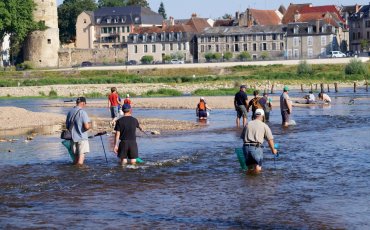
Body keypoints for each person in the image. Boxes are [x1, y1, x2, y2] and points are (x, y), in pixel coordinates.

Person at [240, 109, 278, 173]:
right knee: (258, 169)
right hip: (256, 148)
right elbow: (270, 140)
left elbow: (243, 137)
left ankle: (248, 182)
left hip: (245, 147)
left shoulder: (248, 124)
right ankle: (257, 183)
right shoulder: (264, 125)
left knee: (249, 169)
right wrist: (273, 150)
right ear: (262, 116)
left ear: (255, 115)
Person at [65, 97, 91, 165]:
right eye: (85, 104)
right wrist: (90, 125)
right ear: (83, 103)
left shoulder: (70, 112)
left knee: (75, 159)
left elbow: (67, 126)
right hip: (81, 138)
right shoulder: (83, 112)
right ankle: (79, 174)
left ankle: (73, 174)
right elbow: (86, 127)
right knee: (80, 160)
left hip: (72, 138)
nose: (85, 105)